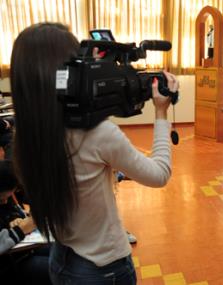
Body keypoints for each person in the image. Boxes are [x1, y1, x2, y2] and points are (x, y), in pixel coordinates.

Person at [11, 23, 178, 284]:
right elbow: (159, 174)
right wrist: (160, 113)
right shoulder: (98, 134)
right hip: (103, 269)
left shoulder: (28, 131)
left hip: (63, 260)